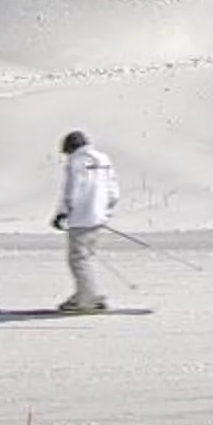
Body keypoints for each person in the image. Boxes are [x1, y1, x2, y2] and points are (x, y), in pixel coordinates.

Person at [52, 129, 118, 313]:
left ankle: (87, 300)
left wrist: (62, 213)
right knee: (86, 259)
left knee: (78, 260)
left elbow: (71, 190)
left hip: (81, 218)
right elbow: (113, 190)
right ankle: (88, 294)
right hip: (98, 219)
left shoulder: (76, 162)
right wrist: (105, 212)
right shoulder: (103, 159)